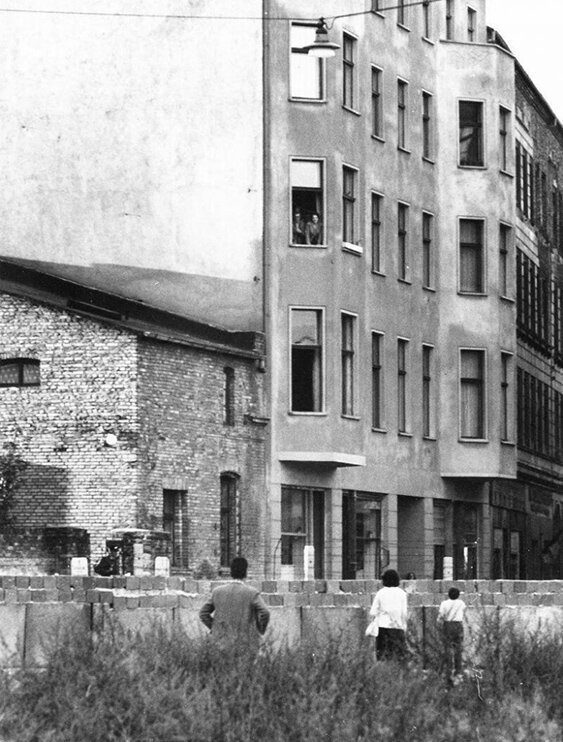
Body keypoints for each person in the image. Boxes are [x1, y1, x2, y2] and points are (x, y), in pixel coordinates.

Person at [199, 556, 270, 649]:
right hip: (245, 643)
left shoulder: (217, 591)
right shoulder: (252, 593)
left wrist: (217, 628)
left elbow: (203, 613)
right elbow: (265, 612)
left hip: (220, 642)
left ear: (231, 572)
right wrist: (259, 630)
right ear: (246, 572)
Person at [369, 568, 408, 661]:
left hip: (383, 627)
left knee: (383, 656)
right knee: (399, 657)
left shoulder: (380, 593)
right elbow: (404, 613)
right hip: (398, 627)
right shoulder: (402, 593)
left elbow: (373, 612)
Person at [437, 587, 467, 681]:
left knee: (448, 648)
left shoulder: (444, 603)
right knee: (458, 648)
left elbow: (441, 615)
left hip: (448, 625)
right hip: (458, 625)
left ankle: (449, 670)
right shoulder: (461, 603)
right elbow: (464, 611)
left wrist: (439, 623)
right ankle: (458, 671)